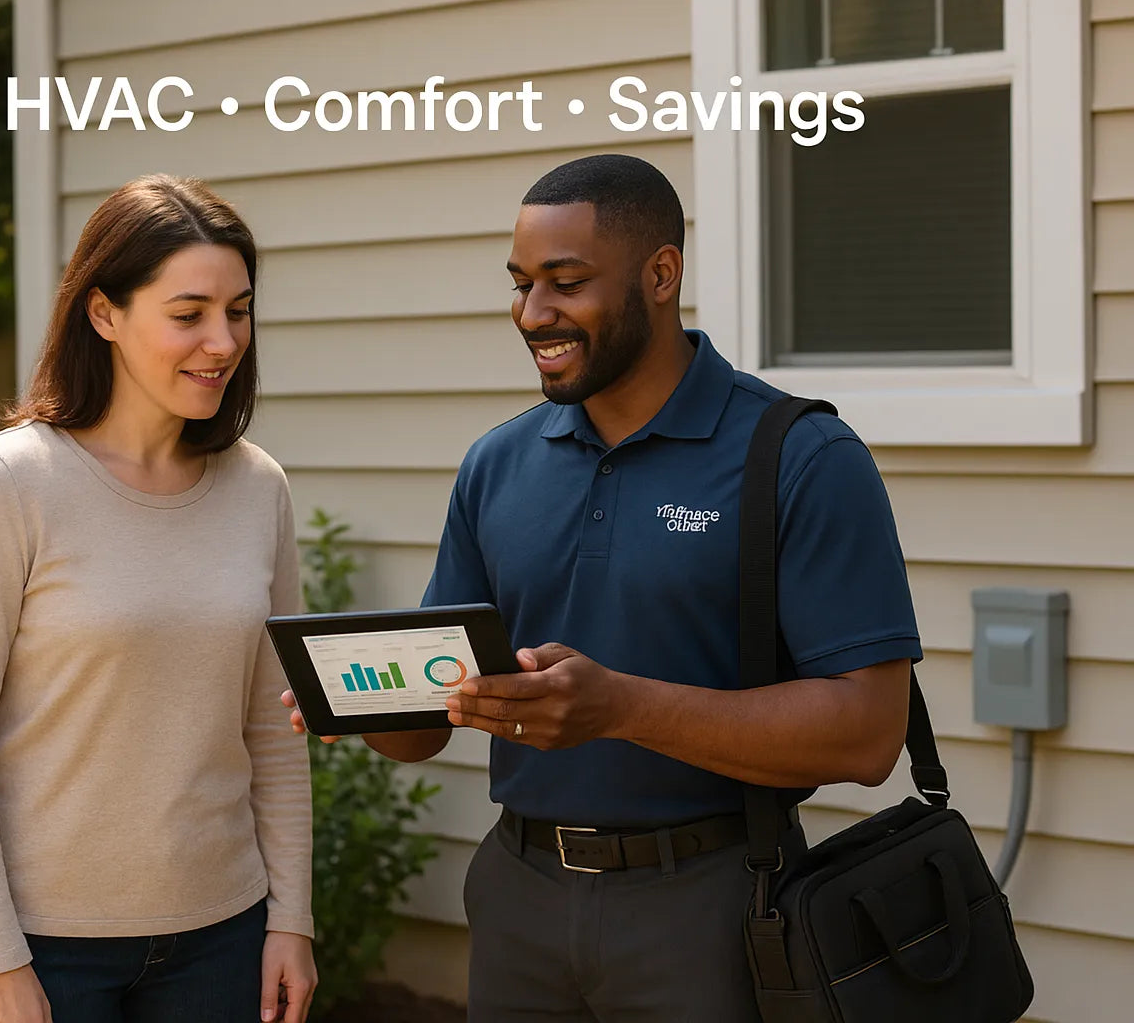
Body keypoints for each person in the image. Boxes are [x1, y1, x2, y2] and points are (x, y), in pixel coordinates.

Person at [283, 153, 922, 1021]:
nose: (531, 314)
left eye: (566, 283)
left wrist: (620, 707)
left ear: (661, 275)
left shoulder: (801, 458)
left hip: (711, 904)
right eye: (519, 284)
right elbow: (427, 728)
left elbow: (868, 736)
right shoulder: (496, 464)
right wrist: (357, 702)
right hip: (518, 900)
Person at [0, 173, 317, 1023]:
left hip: (221, 939)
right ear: (103, 314)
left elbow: (271, 730)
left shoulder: (259, 490)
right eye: (188, 313)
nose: (222, 339)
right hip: (35, 947)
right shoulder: (5, 485)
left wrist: (291, 919)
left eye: (238, 310)